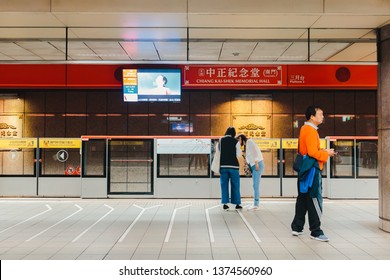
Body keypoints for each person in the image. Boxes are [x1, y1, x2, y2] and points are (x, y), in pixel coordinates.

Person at [291, 105, 336, 242]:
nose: (323, 116)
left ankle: (297, 227)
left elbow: (308, 150)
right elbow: (313, 153)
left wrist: (321, 151)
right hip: (312, 170)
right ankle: (316, 231)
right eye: (320, 114)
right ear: (312, 116)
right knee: (315, 198)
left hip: (304, 169)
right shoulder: (310, 131)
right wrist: (326, 153)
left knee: (303, 198)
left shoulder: (304, 129)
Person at [236, 133, 264, 211]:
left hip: (257, 165)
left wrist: (256, 163)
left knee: (256, 185)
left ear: (241, 138)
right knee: (254, 185)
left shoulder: (250, 142)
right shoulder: (246, 145)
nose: (238, 143)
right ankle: (255, 204)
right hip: (254, 165)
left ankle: (256, 204)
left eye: (238, 140)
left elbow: (255, 152)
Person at [219, 126, 243, 210]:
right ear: (234, 134)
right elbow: (239, 155)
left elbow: (218, 152)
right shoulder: (236, 141)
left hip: (223, 166)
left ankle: (225, 204)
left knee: (224, 185)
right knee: (235, 185)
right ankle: (237, 204)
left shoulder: (220, 140)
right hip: (234, 166)